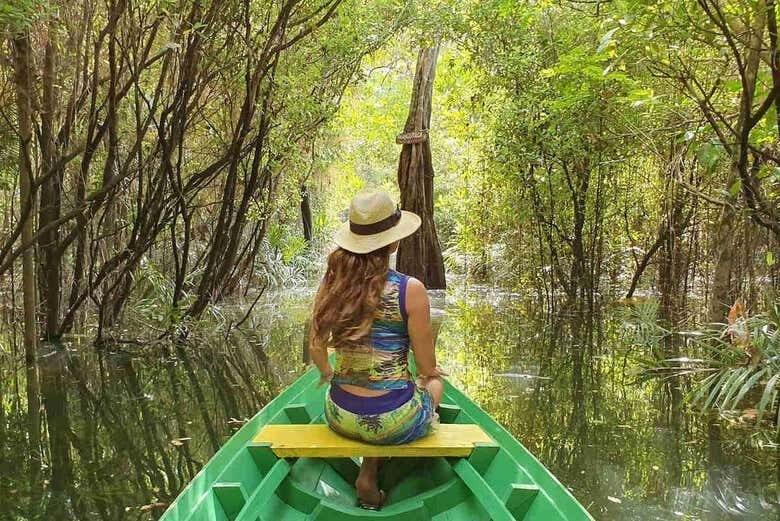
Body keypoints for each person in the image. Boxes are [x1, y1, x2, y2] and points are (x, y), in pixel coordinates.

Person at [308, 189, 446, 510]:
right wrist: (429, 375)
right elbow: (426, 368)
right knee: (435, 384)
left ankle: (368, 468)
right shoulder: (410, 290)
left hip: (339, 415)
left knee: (369, 402)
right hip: (392, 420)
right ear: (395, 241)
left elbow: (316, 346)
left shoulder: (332, 284)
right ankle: (373, 466)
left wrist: (328, 373)